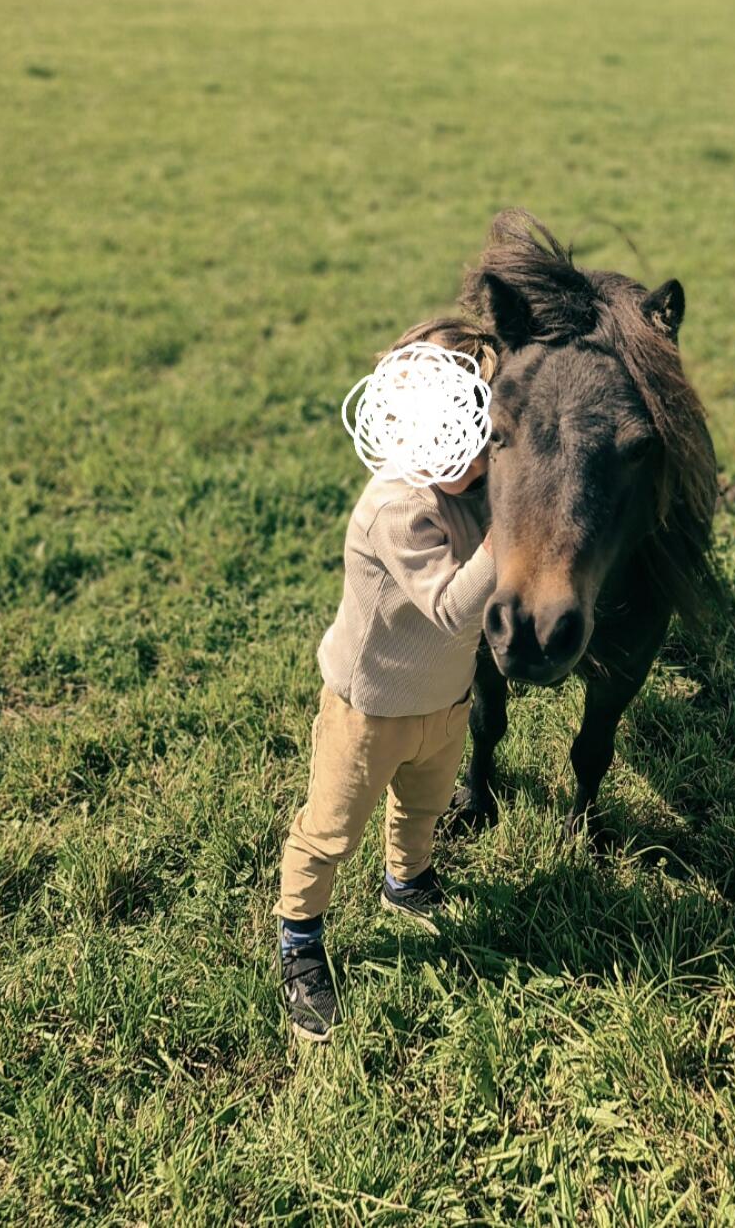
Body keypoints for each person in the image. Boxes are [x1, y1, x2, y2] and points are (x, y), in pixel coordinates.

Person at [274, 317, 497, 1042]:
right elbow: (452, 610)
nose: (487, 447)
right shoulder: (396, 508)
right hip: (368, 710)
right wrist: (510, 537)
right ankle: (300, 938)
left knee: (424, 805)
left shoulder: (470, 486)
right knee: (331, 829)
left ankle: (408, 882)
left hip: (444, 703)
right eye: (470, 430)